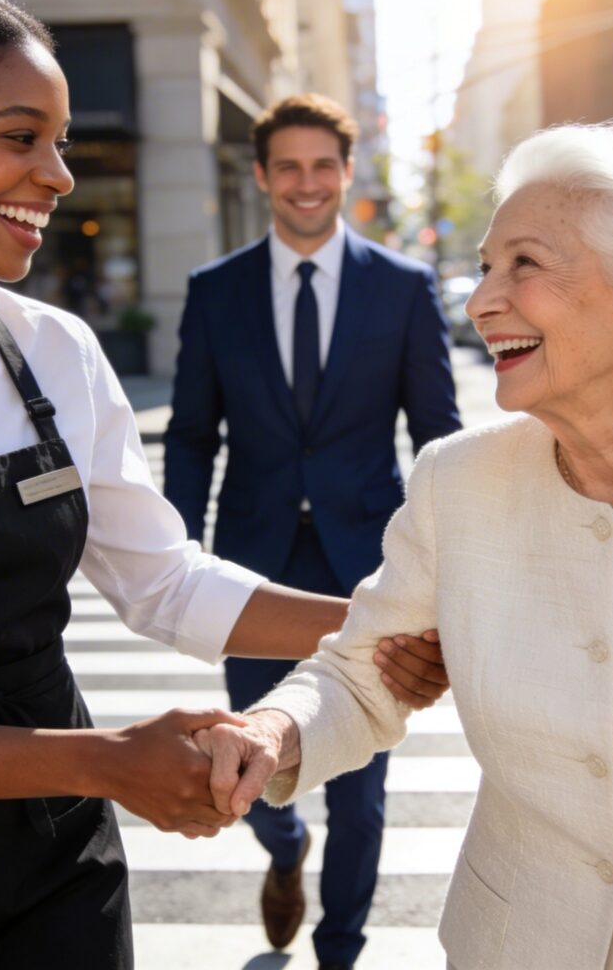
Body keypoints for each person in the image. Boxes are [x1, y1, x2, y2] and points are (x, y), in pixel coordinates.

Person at [0, 0, 447, 970]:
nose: (58, 172)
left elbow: (163, 581)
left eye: (58, 139)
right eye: (21, 136)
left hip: (58, 872)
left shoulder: (53, 349)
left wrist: (388, 620)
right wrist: (105, 761)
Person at [194, 122, 613, 970]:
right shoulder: (458, 479)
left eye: (526, 264)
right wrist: (272, 730)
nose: (482, 300)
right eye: (487, 266)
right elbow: (364, 671)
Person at [163, 93, 461, 969]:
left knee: (364, 788)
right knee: (249, 760)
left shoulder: (402, 289)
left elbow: (439, 437)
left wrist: (446, 565)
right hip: (249, 568)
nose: (306, 183)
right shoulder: (214, 293)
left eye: (322, 165)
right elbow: (189, 433)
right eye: (287, 166)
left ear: (346, 174)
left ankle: (340, 951)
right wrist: (181, 559)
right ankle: (285, 847)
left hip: (366, 574)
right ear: (261, 176)